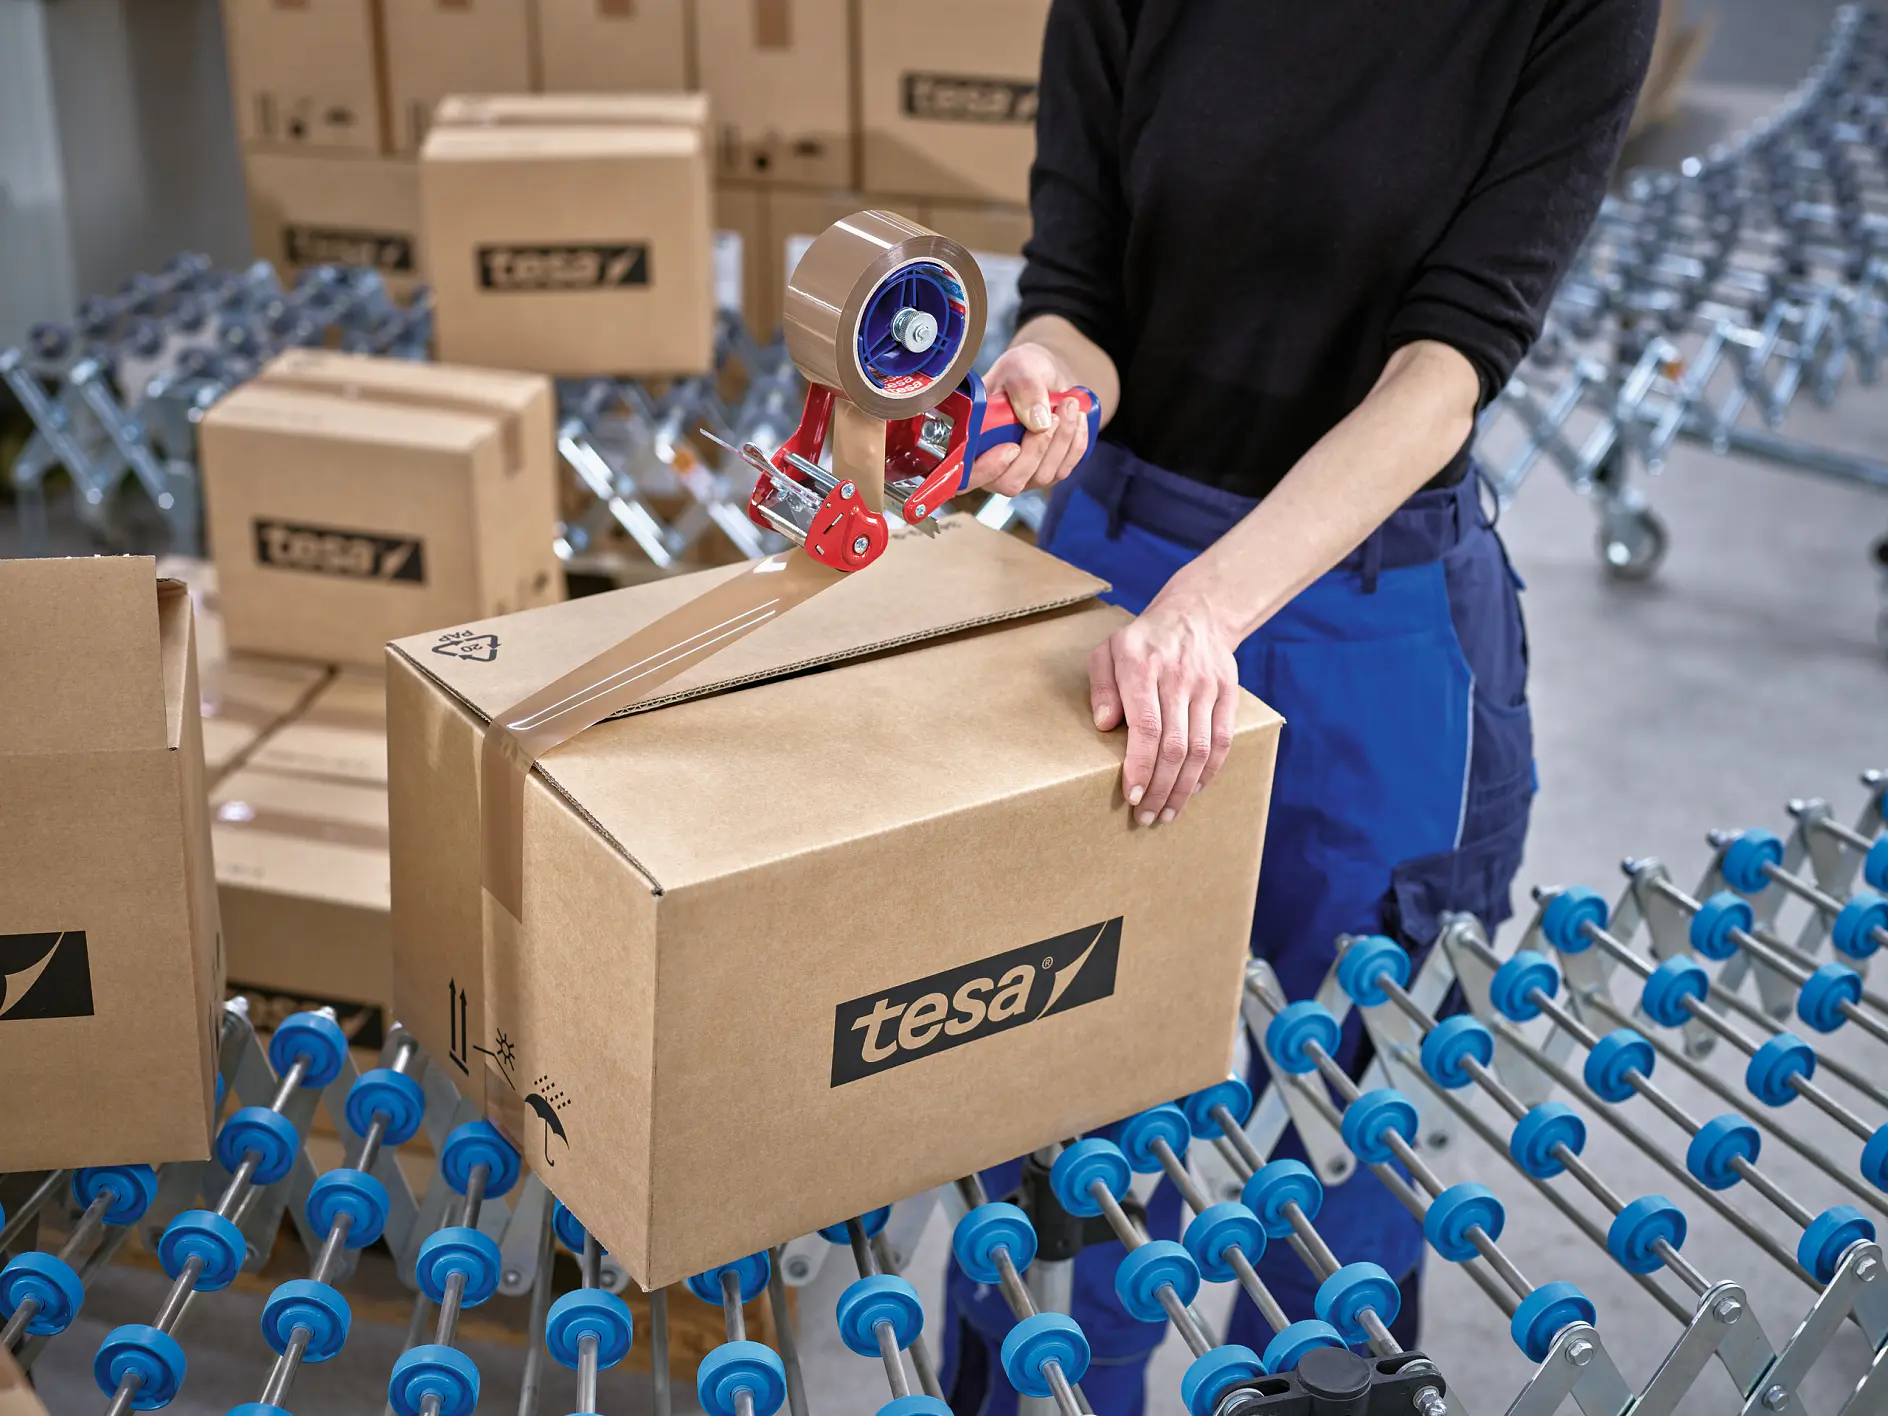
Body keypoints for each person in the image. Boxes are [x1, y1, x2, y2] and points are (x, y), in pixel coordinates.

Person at [937, 3, 1658, 1412]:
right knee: (1056, 1117)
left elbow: (1447, 366)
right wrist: (1052, 379)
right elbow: (1081, 283)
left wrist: (1214, 607)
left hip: (1366, 611)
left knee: (1336, 1144)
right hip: (1117, 588)